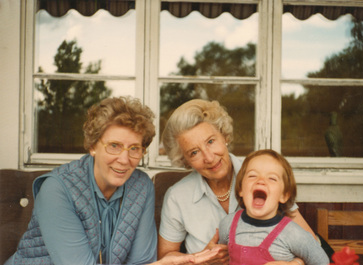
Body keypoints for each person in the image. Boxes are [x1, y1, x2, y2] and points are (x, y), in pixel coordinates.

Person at [5, 96, 219, 265]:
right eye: (114, 146)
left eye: (134, 148)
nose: (124, 160)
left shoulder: (141, 186)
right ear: (92, 146)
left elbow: (141, 261)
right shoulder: (56, 189)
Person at [159, 99, 317, 265]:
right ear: (185, 161)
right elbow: (165, 257)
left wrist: (295, 264)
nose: (209, 157)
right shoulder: (177, 196)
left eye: (211, 141)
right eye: (194, 152)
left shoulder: (265, 177)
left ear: (224, 136)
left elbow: (312, 246)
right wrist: (201, 259)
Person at [218, 149, 329, 265]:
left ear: (284, 195)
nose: (260, 181)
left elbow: (322, 261)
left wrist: (296, 263)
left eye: (272, 178)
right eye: (252, 176)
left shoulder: (293, 233)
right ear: (241, 189)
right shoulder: (227, 225)